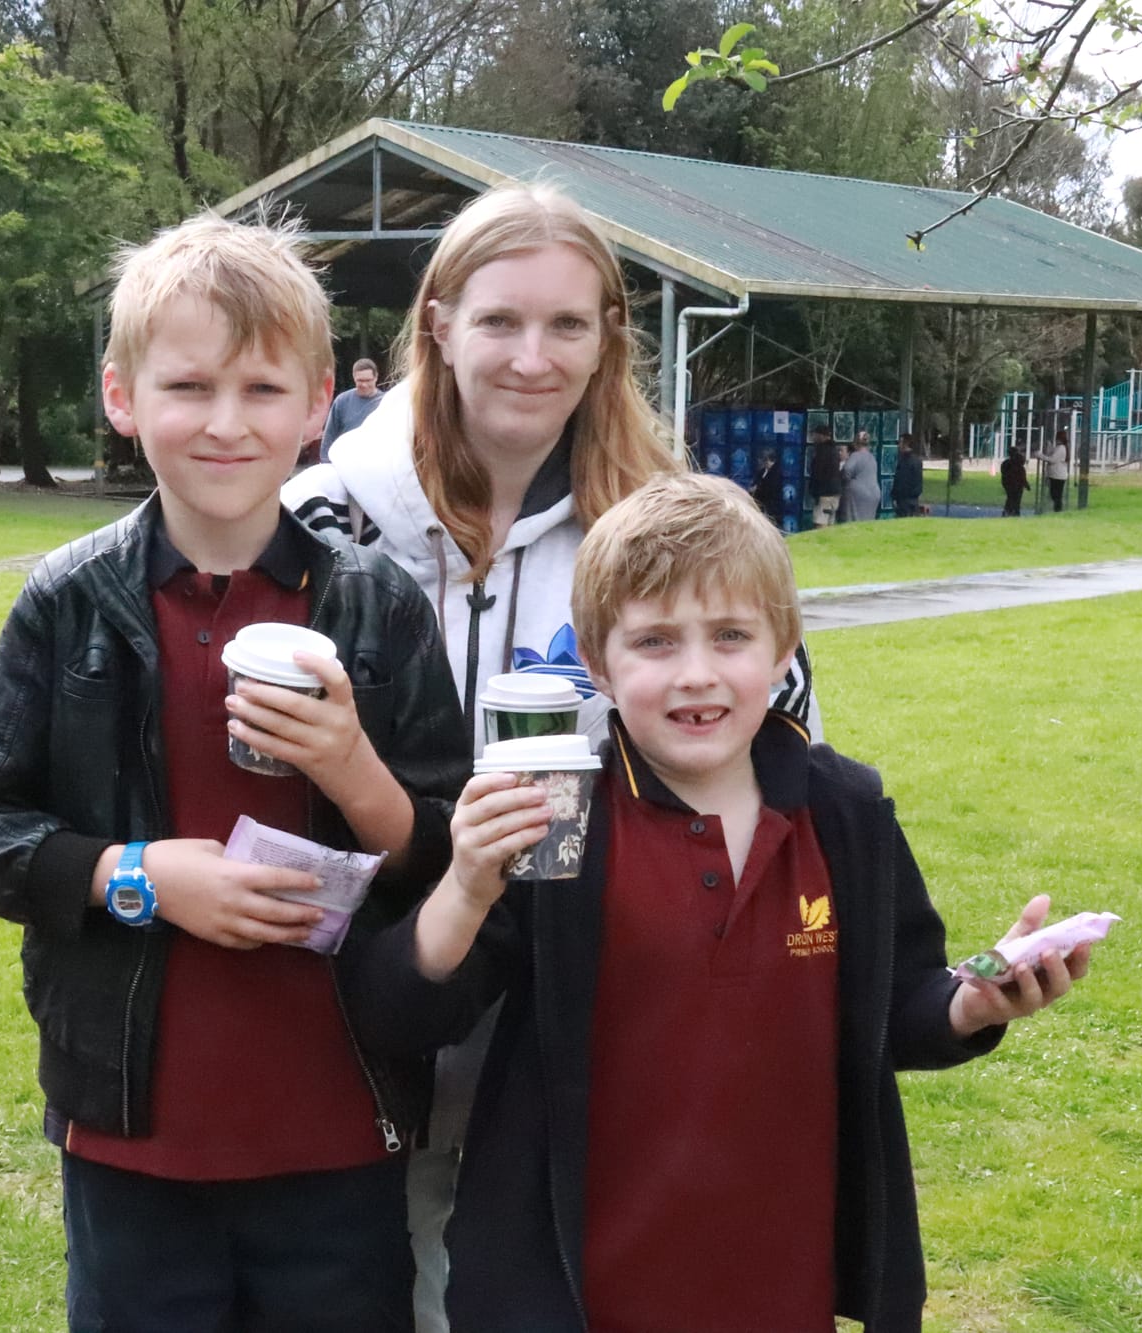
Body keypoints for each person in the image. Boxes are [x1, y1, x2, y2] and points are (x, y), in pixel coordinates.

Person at [349, 473, 1095, 1333]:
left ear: (784, 651)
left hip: (779, 1278)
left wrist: (973, 1001)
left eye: (731, 636)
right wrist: (469, 883)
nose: (696, 675)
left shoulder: (844, 812)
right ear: (597, 663)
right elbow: (402, 1014)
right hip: (576, 1289)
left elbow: (897, 1009)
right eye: (656, 641)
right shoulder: (560, 811)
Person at [283, 182, 821, 1332]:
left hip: (589, 1016)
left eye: (567, 324)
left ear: (606, 340)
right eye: (498, 320)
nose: (532, 356)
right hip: (358, 1002)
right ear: (436, 324)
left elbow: (780, 763)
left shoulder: (674, 532)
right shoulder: (319, 525)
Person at [0, 213, 470, 1332]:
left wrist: (352, 764)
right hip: (132, 1133)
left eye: (263, 391)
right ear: (123, 398)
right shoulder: (71, 601)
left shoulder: (374, 603)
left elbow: (449, 857)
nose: (226, 424)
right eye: (188, 387)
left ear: (319, 404)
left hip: (338, 1121)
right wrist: (137, 875)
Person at [321, 357, 386, 463]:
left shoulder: (386, 402)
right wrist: (325, 463)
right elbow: (329, 435)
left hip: (376, 462)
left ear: (376, 378)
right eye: (360, 380)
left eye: (368, 380)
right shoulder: (342, 401)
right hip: (345, 461)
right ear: (354, 378)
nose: (364, 385)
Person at [843, 431, 879, 521]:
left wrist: (847, 481)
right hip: (874, 492)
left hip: (857, 495)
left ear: (856, 443)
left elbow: (847, 470)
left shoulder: (855, 455)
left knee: (855, 520)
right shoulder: (872, 457)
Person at [809, 435, 844, 526]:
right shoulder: (835, 451)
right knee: (831, 522)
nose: (813, 438)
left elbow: (818, 472)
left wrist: (814, 490)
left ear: (821, 436)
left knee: (820, 522)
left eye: (815, 435)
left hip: (824, 493)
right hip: (835, 493)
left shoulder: (822, 452)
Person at [891, 432, 924, 517]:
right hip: (914, 499)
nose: (898, 446)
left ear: (905, 444)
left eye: (900, 443)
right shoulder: (917, 461)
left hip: (904, 500)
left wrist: (894, 496)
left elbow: (901, 481)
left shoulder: (904, 462)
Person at [749, 446, 784, 524]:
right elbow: (757, 482)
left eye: (765, 460)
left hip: (772, 507)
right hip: (761, 505)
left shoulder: (776, 473)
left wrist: (757, 488)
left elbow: (771, 489)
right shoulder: (762, 471)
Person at [1043, 428, 1070, 512]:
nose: (1055, 439)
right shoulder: (1059, 447)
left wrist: (1040, 455)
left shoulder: (1061, 448)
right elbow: (1051, 454)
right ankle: (1057, 509)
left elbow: (1052, 459)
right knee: (1055, 494)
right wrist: (1049, 447)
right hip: (1056, 475)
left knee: (1056, 495)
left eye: (1057, 437)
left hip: (1058, 475)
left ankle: (1058, 510)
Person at [1000, 444, 1029, 516]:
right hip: (1017, 484)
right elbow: (1022, 477)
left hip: (1008, 483)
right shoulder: (1020, 467)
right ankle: (1015, 511)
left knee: (1010, 497)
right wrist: (1026, 485)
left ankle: (1008, 510)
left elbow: (1003, 473)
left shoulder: (1005, 463)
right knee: (1017, 498)